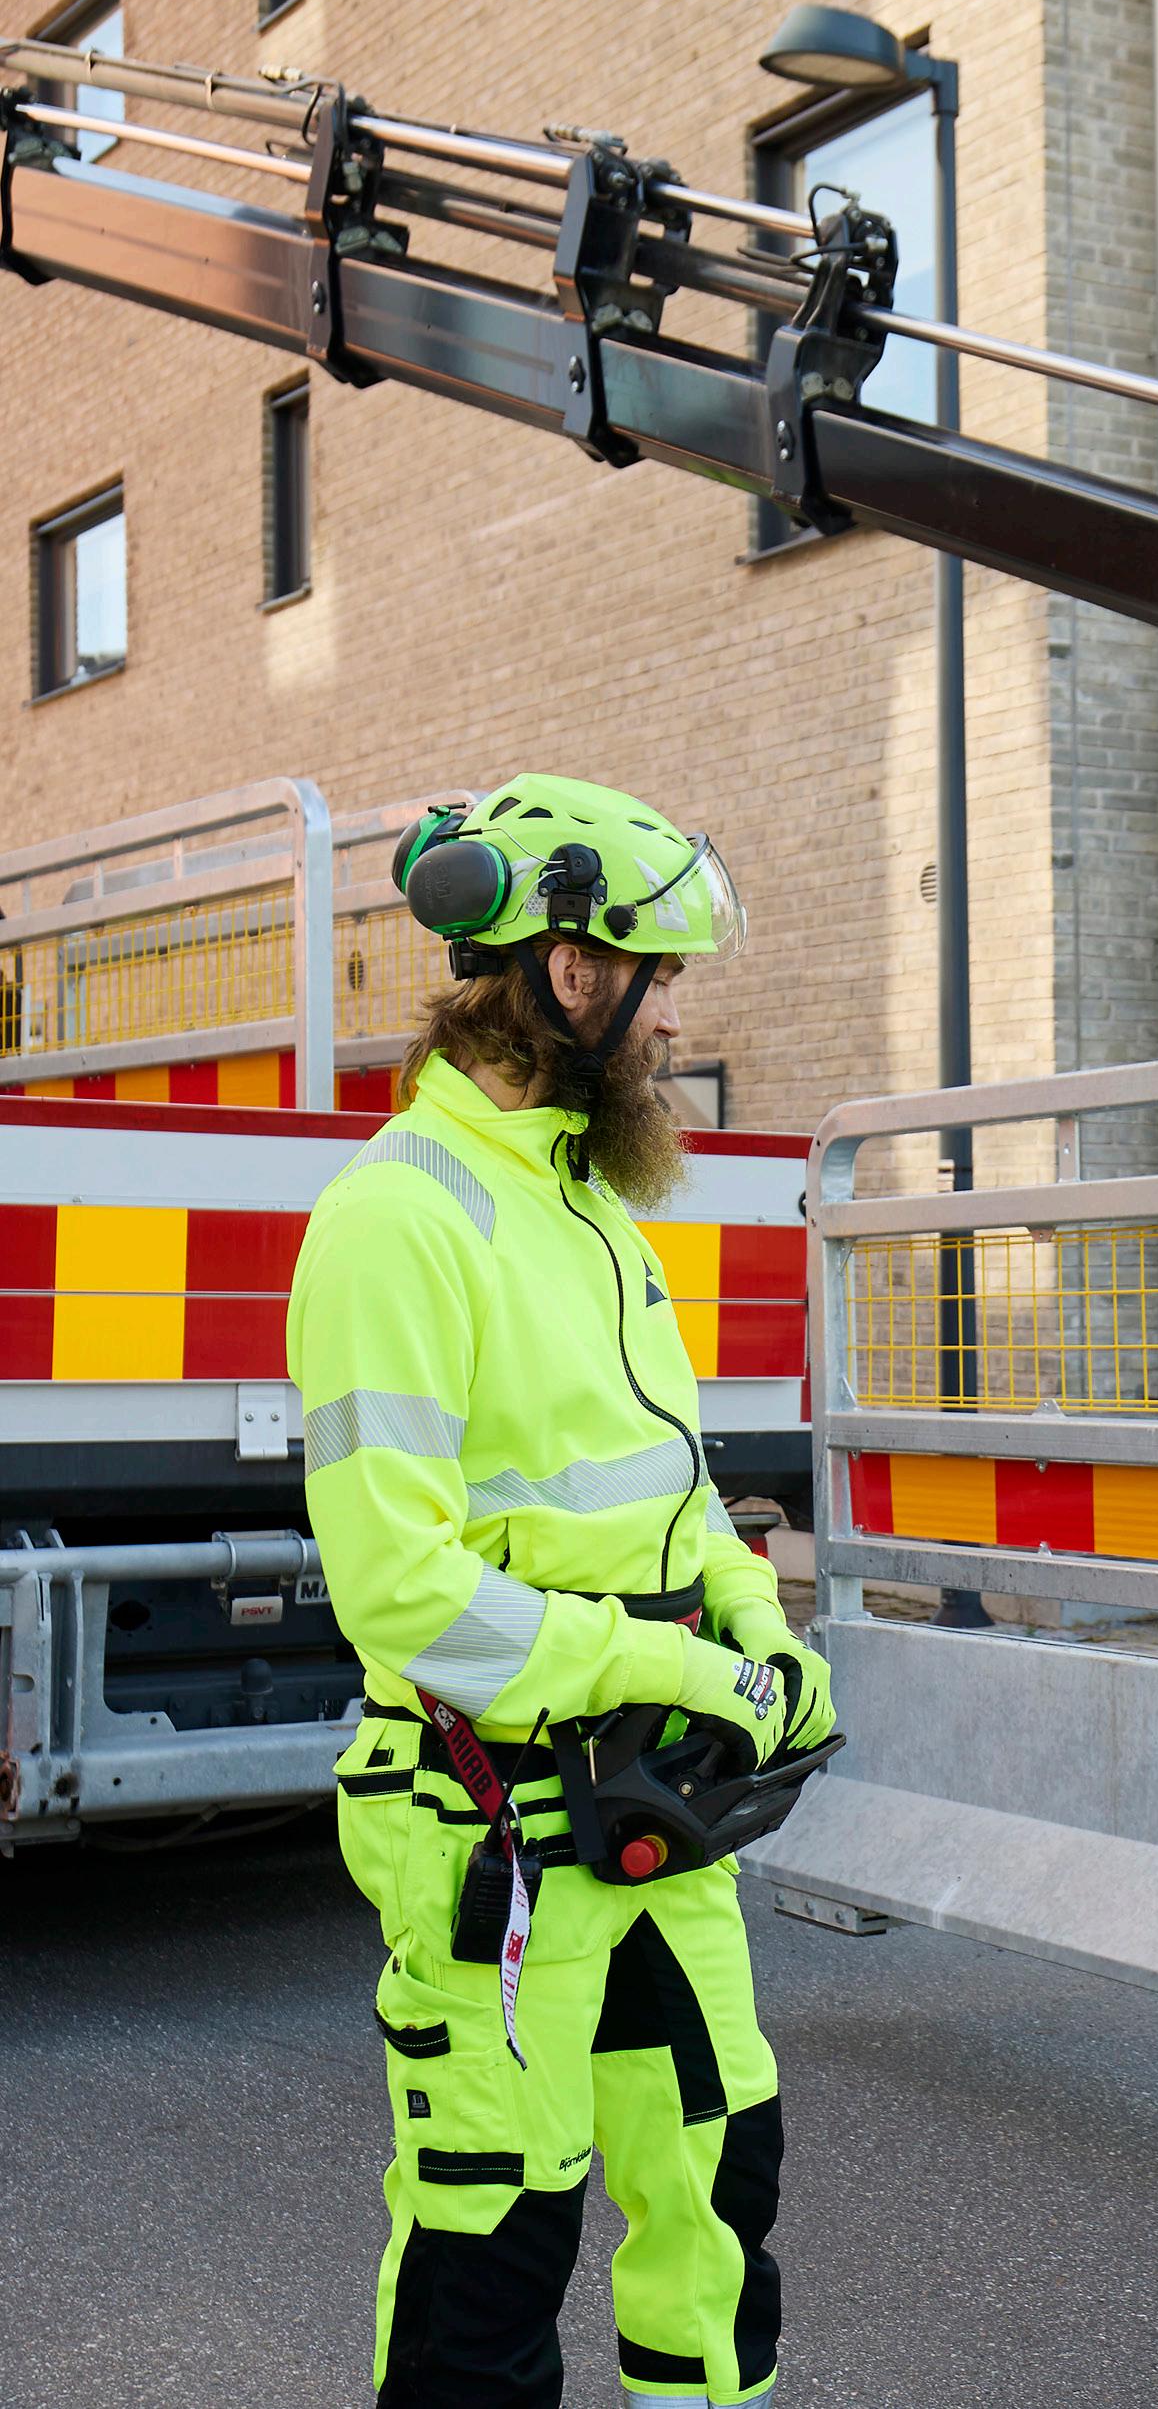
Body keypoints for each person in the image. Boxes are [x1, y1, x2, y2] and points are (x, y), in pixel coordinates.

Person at [290, 773, 831, 2409]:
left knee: (718, 2194)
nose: (672, 1019)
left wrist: (754, 1618)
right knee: (491, 2257)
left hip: (651, 1807)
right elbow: (401, 1591)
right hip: (496, 1824)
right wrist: (668, 1672)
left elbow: (668, 1480)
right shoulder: (397, 1220)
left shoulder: (592, 1204)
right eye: (656, 981)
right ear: (570, 972)